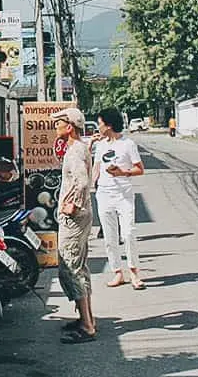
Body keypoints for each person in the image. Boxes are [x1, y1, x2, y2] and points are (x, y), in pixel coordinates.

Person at [53, 106, 96, 344]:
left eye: (59, 123)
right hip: (78, 215)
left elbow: (81, 180)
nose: (55, 127)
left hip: (74, 217)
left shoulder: (76, 151)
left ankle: (87, 326)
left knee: (71, 268)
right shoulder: (77, 148)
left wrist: (73, 205)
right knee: (78, 265)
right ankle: (85, 318)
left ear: (69, 127)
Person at [92, 109, 146, 290]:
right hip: (104, 194)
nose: (98, 126)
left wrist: (123, 173)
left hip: (124, 195)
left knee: (129, 233)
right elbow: (96, 169)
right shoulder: (100, 146)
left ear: (109, 125)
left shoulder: (127, 144)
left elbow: (140, 169)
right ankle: (117, 272)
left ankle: (134, 272)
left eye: (100, 123)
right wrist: (90, 187)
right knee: (109, 236)